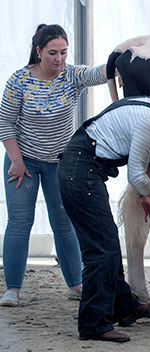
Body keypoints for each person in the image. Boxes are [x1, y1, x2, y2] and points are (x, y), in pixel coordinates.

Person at [57, 77, 150, 342]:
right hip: (81, 174)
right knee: (101, 251)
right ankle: (94, 325)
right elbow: (136, 176)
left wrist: (147, 197)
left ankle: (124, 306)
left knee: (108, 243)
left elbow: (131, 162)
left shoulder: (143, 105)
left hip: (80, 169)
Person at [0, 24, 108, 307]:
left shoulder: (72, 76)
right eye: (52, 53)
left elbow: (102, 72)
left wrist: (127, 54)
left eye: (63, 52)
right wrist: (17, 161)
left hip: (60, 164)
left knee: (64, 224)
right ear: (38, 52)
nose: (59, 58)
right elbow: (5, 122)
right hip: (22, 161)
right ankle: (13, 289)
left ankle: (75, 285)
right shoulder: (19, 81)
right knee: (20, 222)